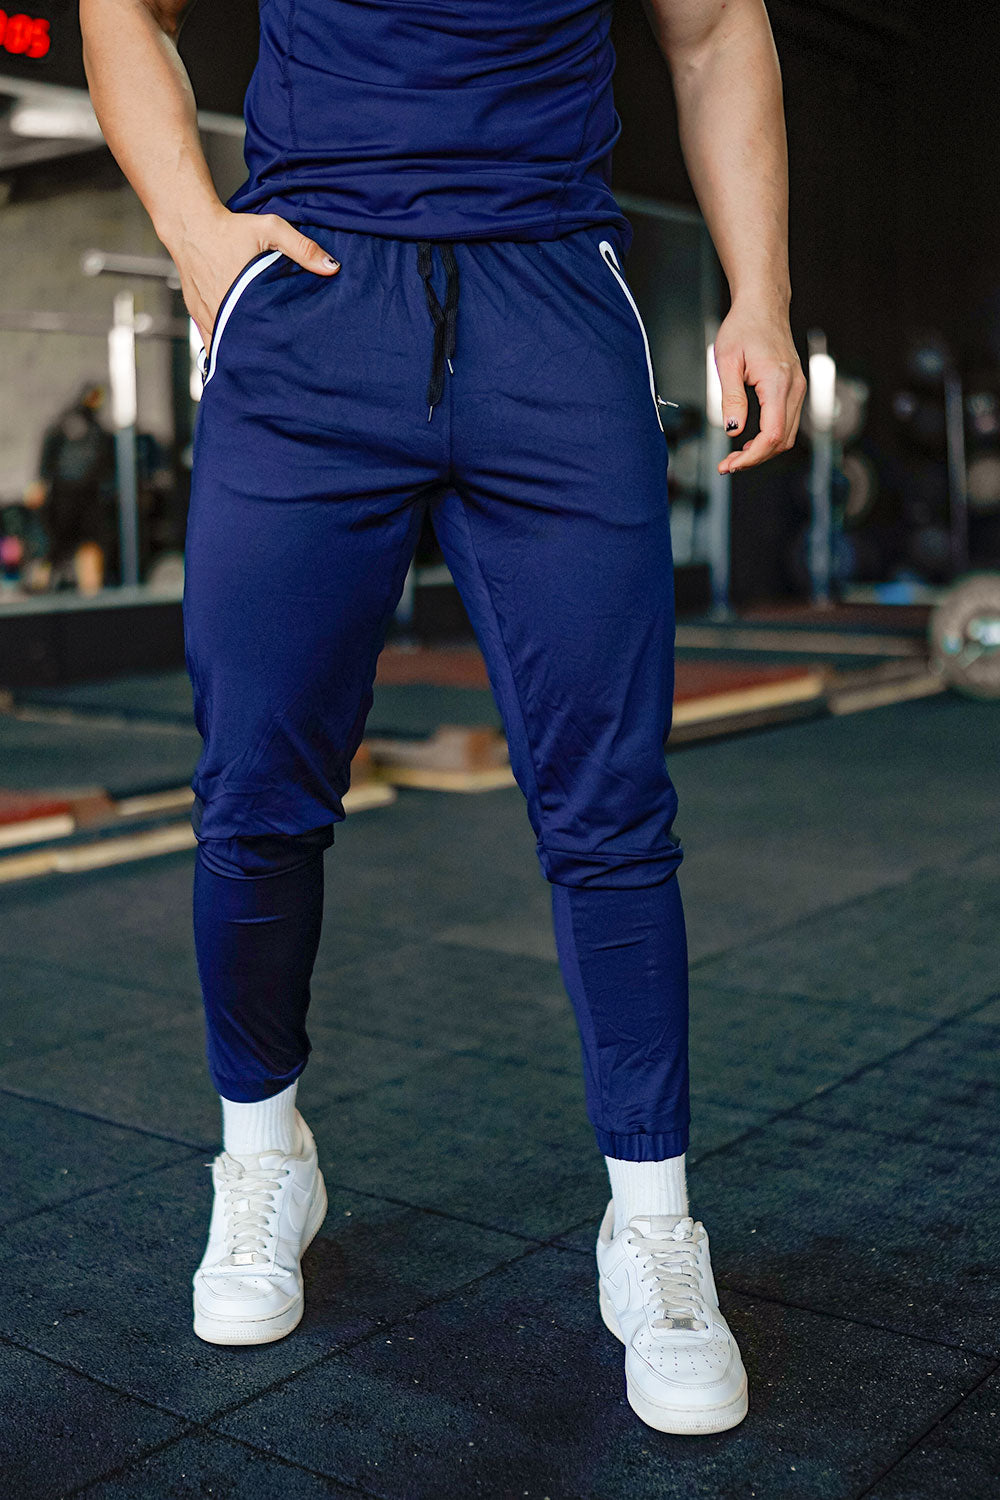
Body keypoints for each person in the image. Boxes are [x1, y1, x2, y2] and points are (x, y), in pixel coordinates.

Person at [81, 0, 806, 1434]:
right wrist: (193, 231)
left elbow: (719, 28)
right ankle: (263, 1155)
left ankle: (653, 1226)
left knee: (610, 805)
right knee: (253, 793)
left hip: (552, 310)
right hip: (314, 302)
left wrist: (762, 295)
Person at [26, 381, 116, 594]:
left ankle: (90, 593)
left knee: (89, 544)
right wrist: (41, 482)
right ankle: (40, 585)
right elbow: (51, 451)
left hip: (88, 496)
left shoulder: (97, 431)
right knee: (54, 547)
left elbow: (104, 460)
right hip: (64, 496)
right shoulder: (67, 424)